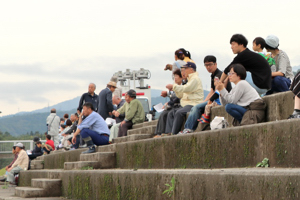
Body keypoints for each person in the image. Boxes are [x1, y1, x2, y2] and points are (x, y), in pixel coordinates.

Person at [179, 55, 232, 134]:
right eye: (206, 65)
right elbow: (212, 91)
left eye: (210, 64)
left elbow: (217, 92)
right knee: (198, 106)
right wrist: (205, 101)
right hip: (216, 98)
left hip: (221, 99)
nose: (208, 67)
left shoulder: (219, 75)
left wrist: (208, 101)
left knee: (196, 108)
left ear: (215, 64)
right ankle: (187, 129)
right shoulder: (213, 75)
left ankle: (188, 129)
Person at [165, 62, 204, 135]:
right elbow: (180, 95)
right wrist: (175, 88)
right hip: (187, 103)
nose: (184, 71)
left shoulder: (195, 79)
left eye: (185, 69)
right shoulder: (190, 79)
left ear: (191, 70)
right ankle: (169, 132)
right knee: (172, 112)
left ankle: (174, 133)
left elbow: (187, 88)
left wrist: (173, 87)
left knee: (179, 113)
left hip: (193, 103)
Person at [154, 69, 183, 138]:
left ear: (181, 77)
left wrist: (169, 103)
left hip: (180, 105)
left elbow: (177, 97)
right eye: (174, 76)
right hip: (175, 105)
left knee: (168, 113)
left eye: (177, 76)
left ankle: (167, 132)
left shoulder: (182, 86)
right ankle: (159, 133)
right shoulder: (176, 86)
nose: (175, 78)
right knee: (163, 114)